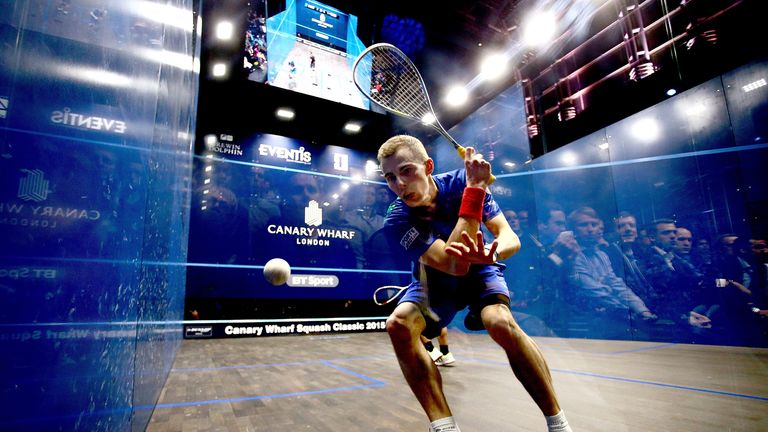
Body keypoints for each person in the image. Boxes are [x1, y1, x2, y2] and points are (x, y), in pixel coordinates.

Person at [376, 135, 571, 432]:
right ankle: (444, 426)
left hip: (481, 272)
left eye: (406, 171)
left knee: (500, 322)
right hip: (434, 280)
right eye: (390, 177)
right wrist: (476, 190)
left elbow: (509, 237)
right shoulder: (397, 218)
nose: (399, 185)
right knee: (398, 324)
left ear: (428, 166)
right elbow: (453, 264)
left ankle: (558, 423)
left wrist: (493, 251)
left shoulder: (459, 182)